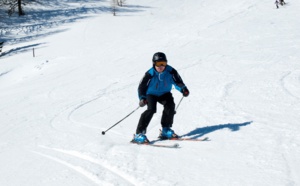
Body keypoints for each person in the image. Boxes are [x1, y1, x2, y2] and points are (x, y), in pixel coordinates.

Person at [131, 52, 189, 144]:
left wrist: (183, 89)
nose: (161, 66)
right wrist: (142, 98)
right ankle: (139, 134)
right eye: (158, 64)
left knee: (170, 105)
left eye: (163, 63)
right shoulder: (150, 74)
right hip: (151, 94)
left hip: (165, 93)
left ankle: (166, 130)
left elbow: (178, 82)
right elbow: (142, 87)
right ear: (154, 63)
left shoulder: (171, 71)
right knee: (151, 109)